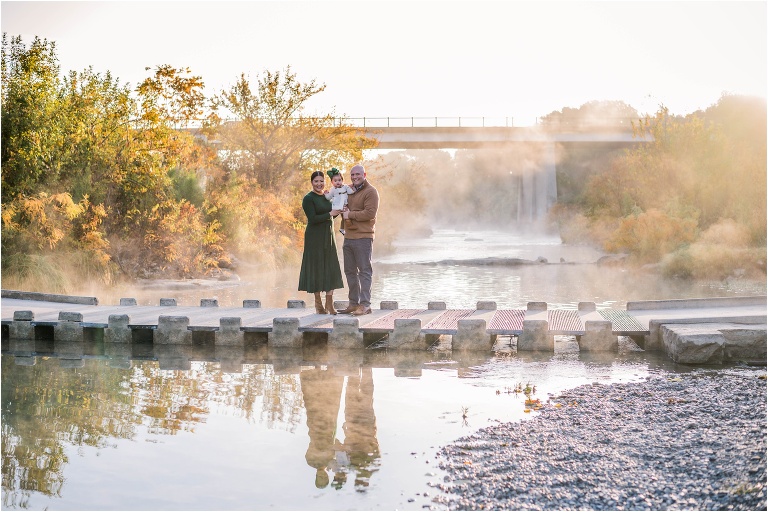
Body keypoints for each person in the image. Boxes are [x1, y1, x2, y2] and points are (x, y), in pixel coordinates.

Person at [298, 170, 344, 314]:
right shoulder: (308, 198)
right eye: (316, 181)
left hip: (328, 236)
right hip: (314, 237)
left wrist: (337, 212)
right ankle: (318, 305)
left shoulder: (327, 196)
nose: (319, 184)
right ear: (311, 182)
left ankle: (329, 304)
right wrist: (330, 214)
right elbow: (312, 219)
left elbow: (329, 217)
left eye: (321, 181)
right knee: (317, 268)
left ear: (325, 182)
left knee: (330, 267)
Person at [337, 164, 380, 316]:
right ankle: (353, 304)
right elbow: (336, 197)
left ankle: (365, 305)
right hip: (348, 237)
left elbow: (370, 213)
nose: (355, 177)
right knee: (349, 271)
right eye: (352, 175)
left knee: (364, 271)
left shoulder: (371, 192)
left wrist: (350, 215)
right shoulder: (348, 190)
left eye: (357, 174)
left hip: (363, 237)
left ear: (364, 174)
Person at [324, 167, 355, 235]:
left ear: (342, 180)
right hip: (338, 205)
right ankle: (348, 227)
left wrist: (353, 189)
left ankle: (342, 228)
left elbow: (350, 192)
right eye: (335, 181)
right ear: (332, 182)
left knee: (344, 217)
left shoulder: (345, 186)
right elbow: (329, 197)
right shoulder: (333, 189)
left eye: (339, 180)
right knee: (346, 215)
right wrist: (326, 194)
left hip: (344, 204)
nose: (338, 182)